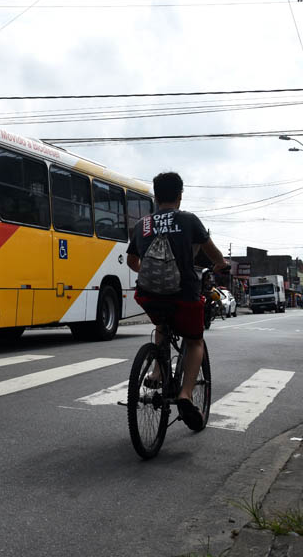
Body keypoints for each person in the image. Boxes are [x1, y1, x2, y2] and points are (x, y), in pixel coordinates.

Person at [126, 172, 228, 431]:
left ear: (156, 196)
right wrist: (221, 264)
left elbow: (132, 262)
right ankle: (185, 395)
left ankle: (158, 370)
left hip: (149, 295)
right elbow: (213, 253)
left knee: (162, 322)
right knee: (194, 341)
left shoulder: (143, 225)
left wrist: (154, 275)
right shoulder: (188, 220)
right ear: (180, 195)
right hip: (184, 296)